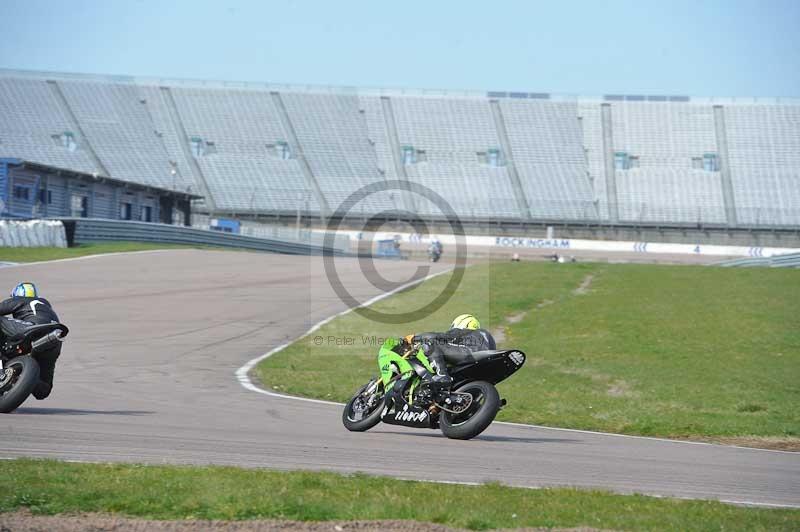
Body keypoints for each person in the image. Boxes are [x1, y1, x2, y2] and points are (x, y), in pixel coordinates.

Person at [0, 282, 62, 400]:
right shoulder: (45, 305)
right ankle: (23, 376)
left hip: (32, 328)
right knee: (43, 390)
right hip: (55, 339)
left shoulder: (19, 299)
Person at [411, 314, 496, 388]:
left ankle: (442, 375)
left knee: (431, 342)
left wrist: (415, 338)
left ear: (462, 323)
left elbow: (442, 337)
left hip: (469, 354)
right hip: (485, 367)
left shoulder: (465, 331)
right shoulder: (484, 336)